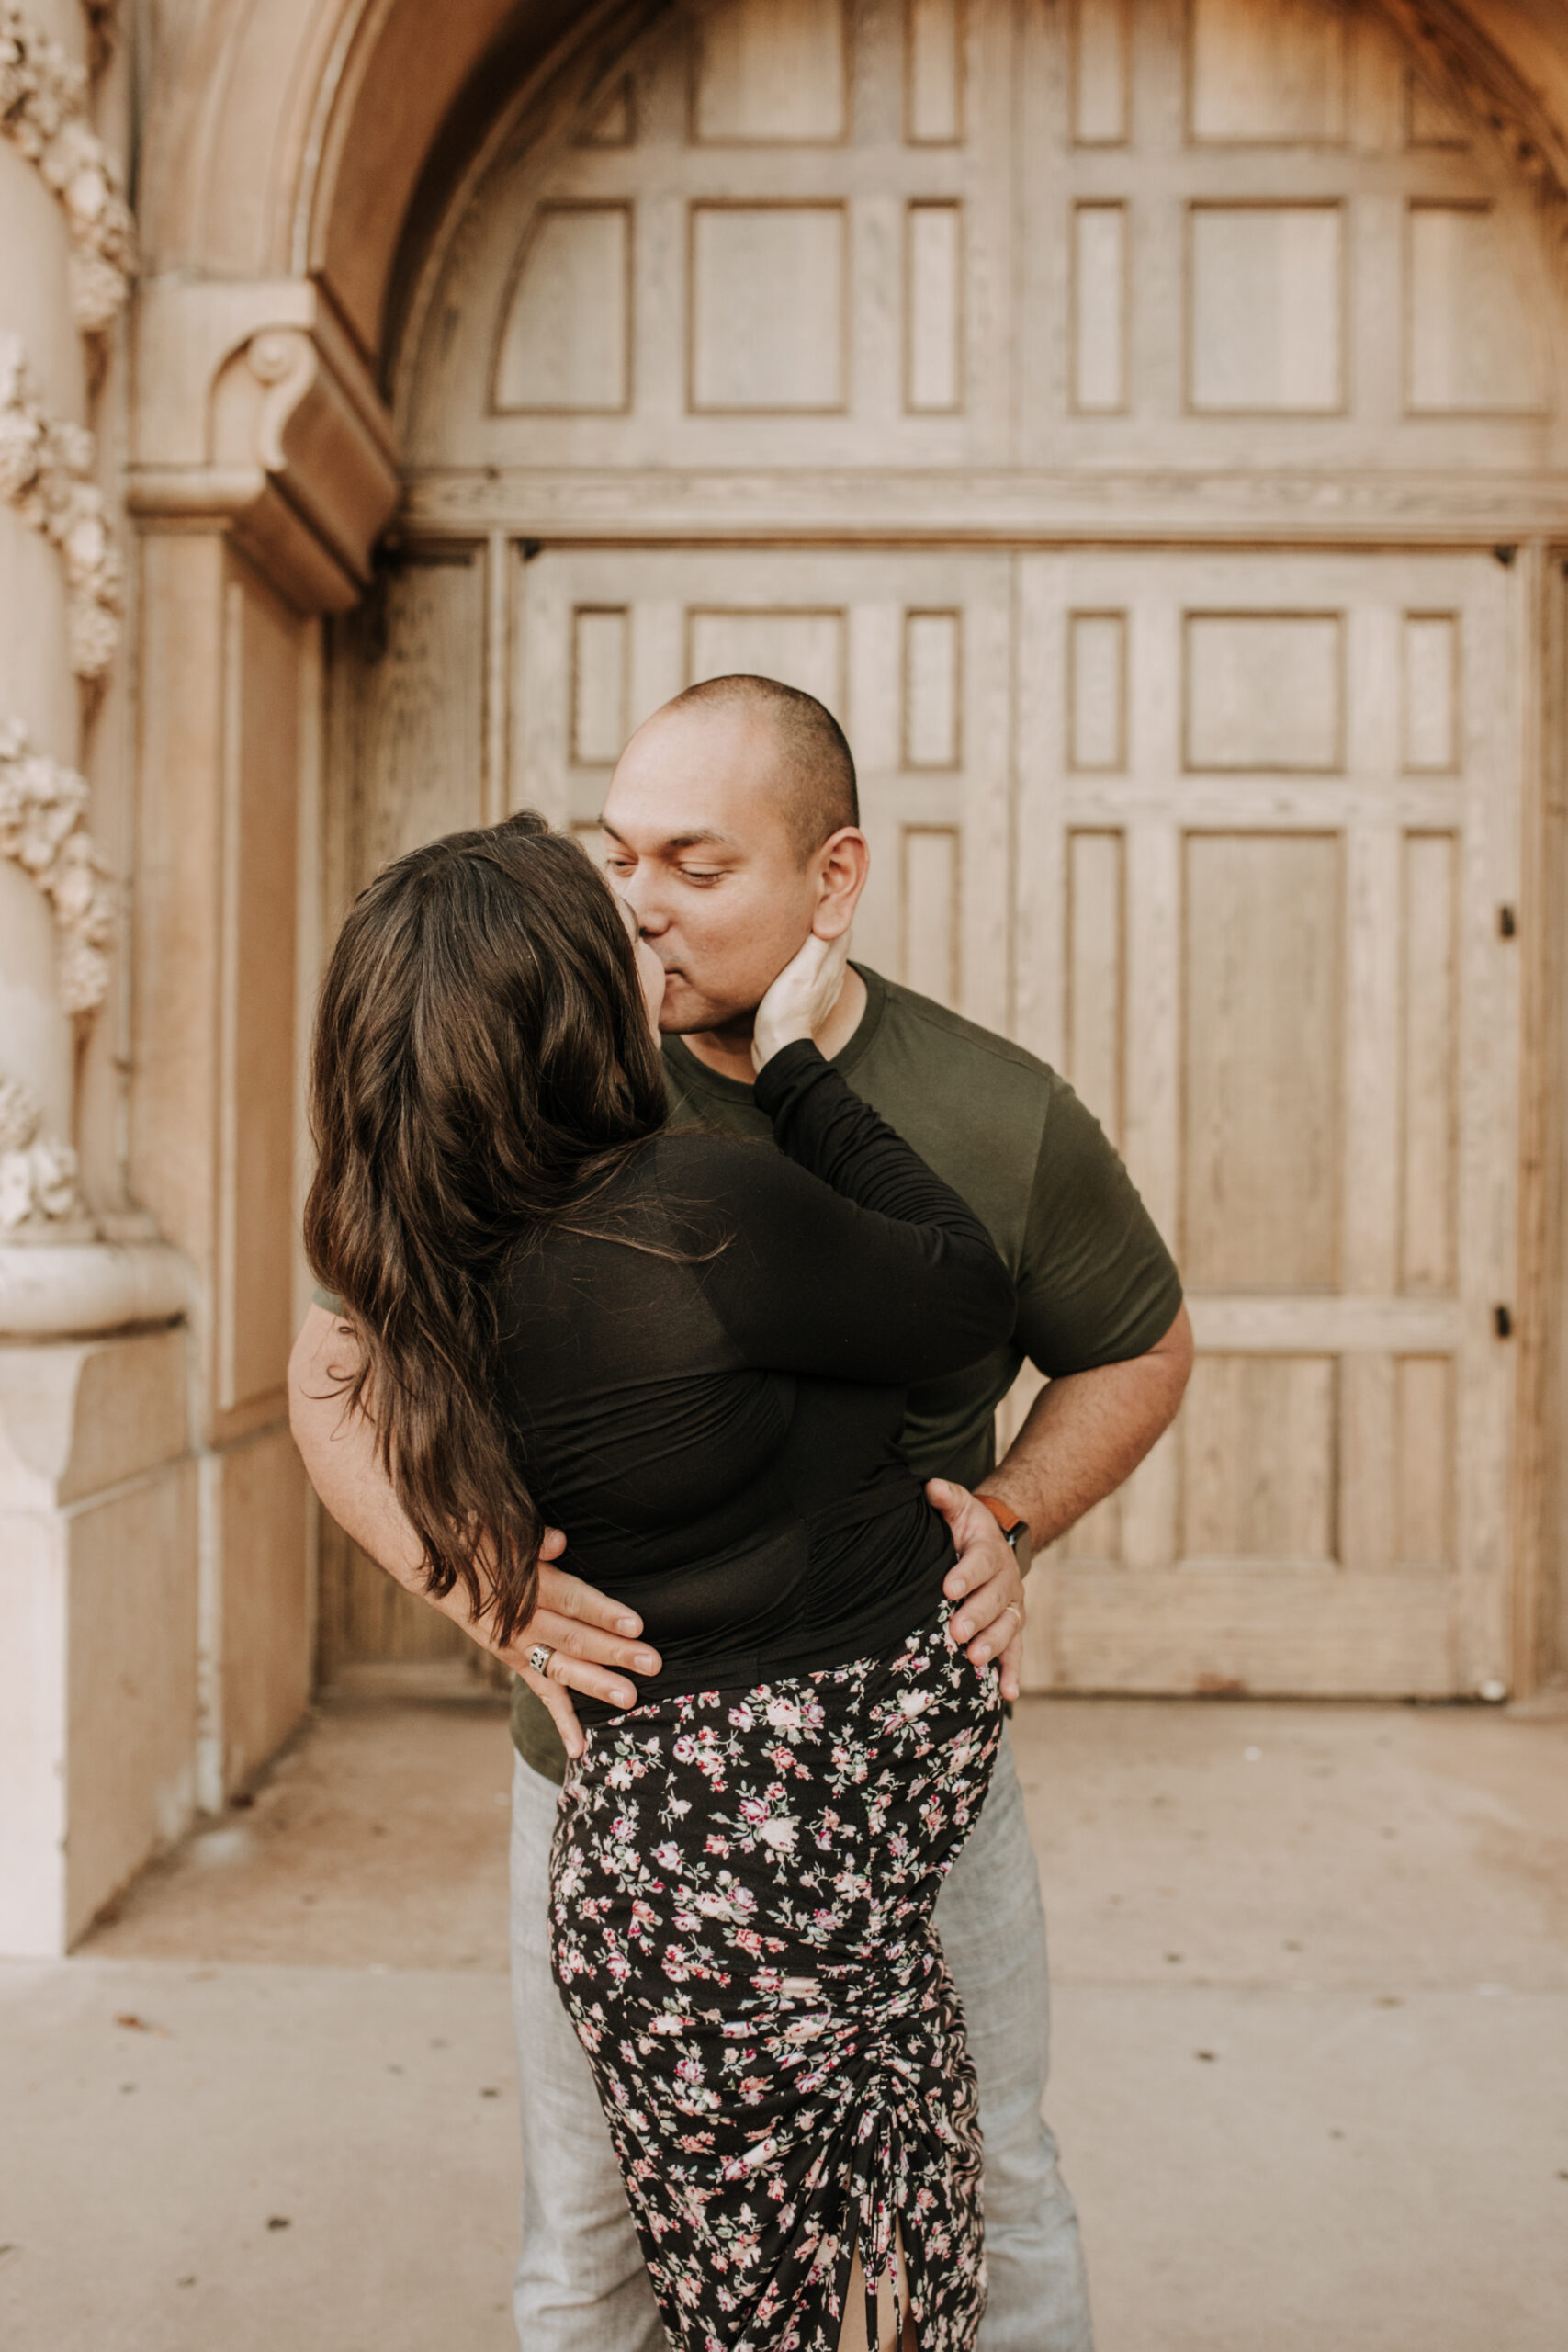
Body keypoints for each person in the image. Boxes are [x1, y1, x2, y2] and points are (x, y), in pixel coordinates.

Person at [289, 676, 1192, 2352]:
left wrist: (1003, 1511)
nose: (637, 900)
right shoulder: (529, 1064)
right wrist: (479, 1594)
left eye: (694, 867)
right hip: (601, 1774)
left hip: (918, 1781)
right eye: (617, 854)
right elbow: (332, 1361)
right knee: (591, 2240)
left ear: (830, 882)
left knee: (995, 2190)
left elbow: (1141, 1345)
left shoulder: (998, 1110)